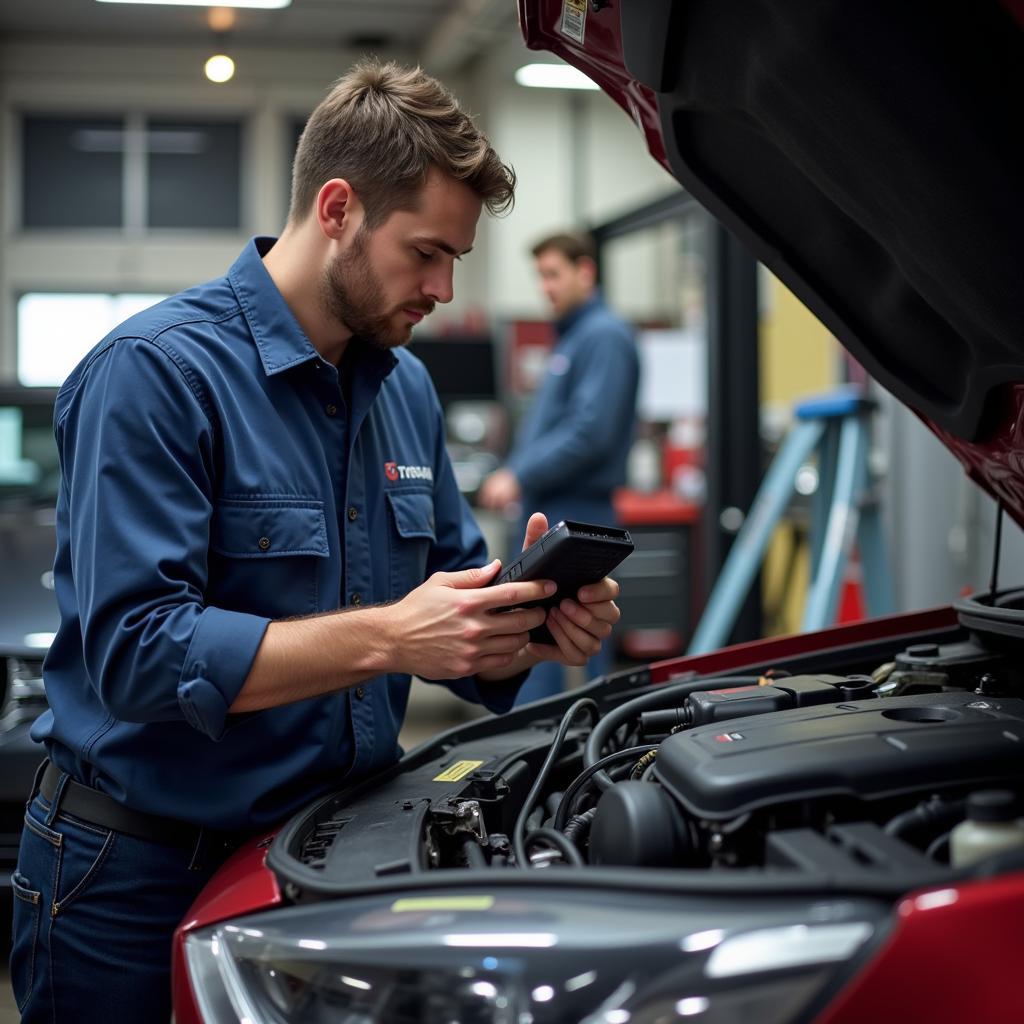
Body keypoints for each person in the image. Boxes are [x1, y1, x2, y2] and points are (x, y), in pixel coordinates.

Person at [9, 61, 621, 1024]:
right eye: (425, 252)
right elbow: (135, 652)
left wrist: (527, 624)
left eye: (455, 258)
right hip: (134, 880)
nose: (442, 286)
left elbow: (443, 600)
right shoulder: (156, 375)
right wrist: (391, 638)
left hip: (324, 860)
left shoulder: (404, 389)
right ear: (337, 207)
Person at [479, 231, 638, 703]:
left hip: (578, 513)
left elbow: (590, 432)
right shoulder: (573, 339)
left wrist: (518, 475)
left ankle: (572, 759)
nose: (544, 287)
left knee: (559, 640)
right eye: (540, 277)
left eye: (553, 274)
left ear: (585, 271)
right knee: (536, 636)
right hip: (551, 510)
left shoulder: (603, 336)